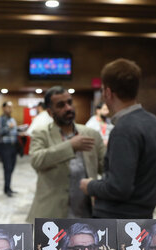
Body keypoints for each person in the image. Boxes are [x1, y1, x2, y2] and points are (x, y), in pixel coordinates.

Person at [79, 58, 156, 219]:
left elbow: (118, 187)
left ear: (107, 92)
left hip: (117, 222)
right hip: (144, 216)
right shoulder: (155, 122)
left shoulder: (124, 129)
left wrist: (90, 186)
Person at [27, 86, 106, 222]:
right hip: (51, 215)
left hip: (86, 213)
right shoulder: (42, 133)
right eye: (61, 105)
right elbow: (37, 160)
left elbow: (106, 168)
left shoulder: (91, 134)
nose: (68, 108)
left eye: (69, 102)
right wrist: (70, 146)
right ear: (50, 112)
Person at [0, 101, 19, 197]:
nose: (10, 109)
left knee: (12, 167)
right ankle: (6, 189)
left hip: (13, 146)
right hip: (5, 146)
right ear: (3, 108)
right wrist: (8, 127)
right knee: (7, 168)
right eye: (8, 107)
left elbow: (14, 131)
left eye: (11, 107)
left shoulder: (12, 119)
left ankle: (8, 187)